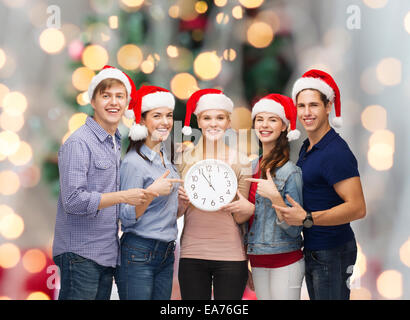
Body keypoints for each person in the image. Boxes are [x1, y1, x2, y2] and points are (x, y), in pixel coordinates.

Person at [52, 65, 157, 300]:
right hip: (80, 255)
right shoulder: (79, 143)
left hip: (106, 254)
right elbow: (73, 201)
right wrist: (123, 196)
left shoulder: (113, 142)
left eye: (120, 96)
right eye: (106, 95)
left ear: (127, 103)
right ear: (93, 100)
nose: (114, 102)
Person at [273, 69, 366, 300]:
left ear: (328, 107)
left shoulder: (335, 152)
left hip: (332, 251)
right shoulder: (309, 146)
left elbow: (357, 208)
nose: (306, 112)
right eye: (301, 106)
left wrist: (307, 218)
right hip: (316, 250)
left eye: (313, 105)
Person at [177, 88, 252, 300]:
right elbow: (175, 213)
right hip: (192, 253)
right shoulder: (184, 159)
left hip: (231, 255)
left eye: (220, 118)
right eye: (207, 118)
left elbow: (240, 217)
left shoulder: (242, 161)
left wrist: (242, 205)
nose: (213, 123)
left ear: (228, 122)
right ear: (198, 121)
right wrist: (181, 203)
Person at [115, 85, 184, 300]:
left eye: (169, 116)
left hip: (165, 253)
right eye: (157, 116)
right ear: (143, 121)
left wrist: (184, 203)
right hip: (139, 252)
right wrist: (150, 193)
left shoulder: (167, 159)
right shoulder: (133, 163)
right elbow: (126, 218)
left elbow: (166, 213)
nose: (165, 122)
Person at [236, 93, 305, 300]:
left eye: (272, 120)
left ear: (284, 126)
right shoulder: (249, 168)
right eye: (260, 119)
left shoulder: (290, 172)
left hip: (286, 261)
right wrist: (245, 262)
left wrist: (275, 198)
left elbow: (295, 230)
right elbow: (245, 223)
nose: (265, 125)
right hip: (257, 262)